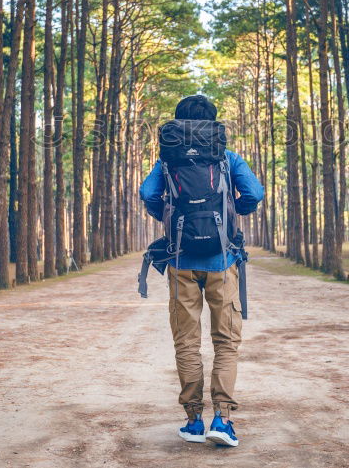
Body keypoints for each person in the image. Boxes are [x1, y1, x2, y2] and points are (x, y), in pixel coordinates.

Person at [139, 94, 264, 447]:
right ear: (212, 123)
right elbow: (254, 193)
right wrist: (234, 211)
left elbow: (148, 193)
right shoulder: (226, 158)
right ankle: (222, 420)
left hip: (180, 261)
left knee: (187, 342)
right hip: (222, 260)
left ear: (178, 123)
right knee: (226, 342)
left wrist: (164, 215)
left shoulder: (167, 161)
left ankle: (193, 421)